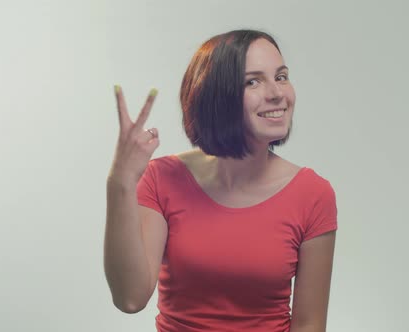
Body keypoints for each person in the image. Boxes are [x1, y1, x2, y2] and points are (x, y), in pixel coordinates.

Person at [104, 29, 337, 332]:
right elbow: (130, 298)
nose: (277, 93)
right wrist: (120, 182)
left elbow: (310, 325)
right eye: (253, 81)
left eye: (281, 77)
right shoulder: (162, 179)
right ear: (217, 96)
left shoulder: (313, 194)